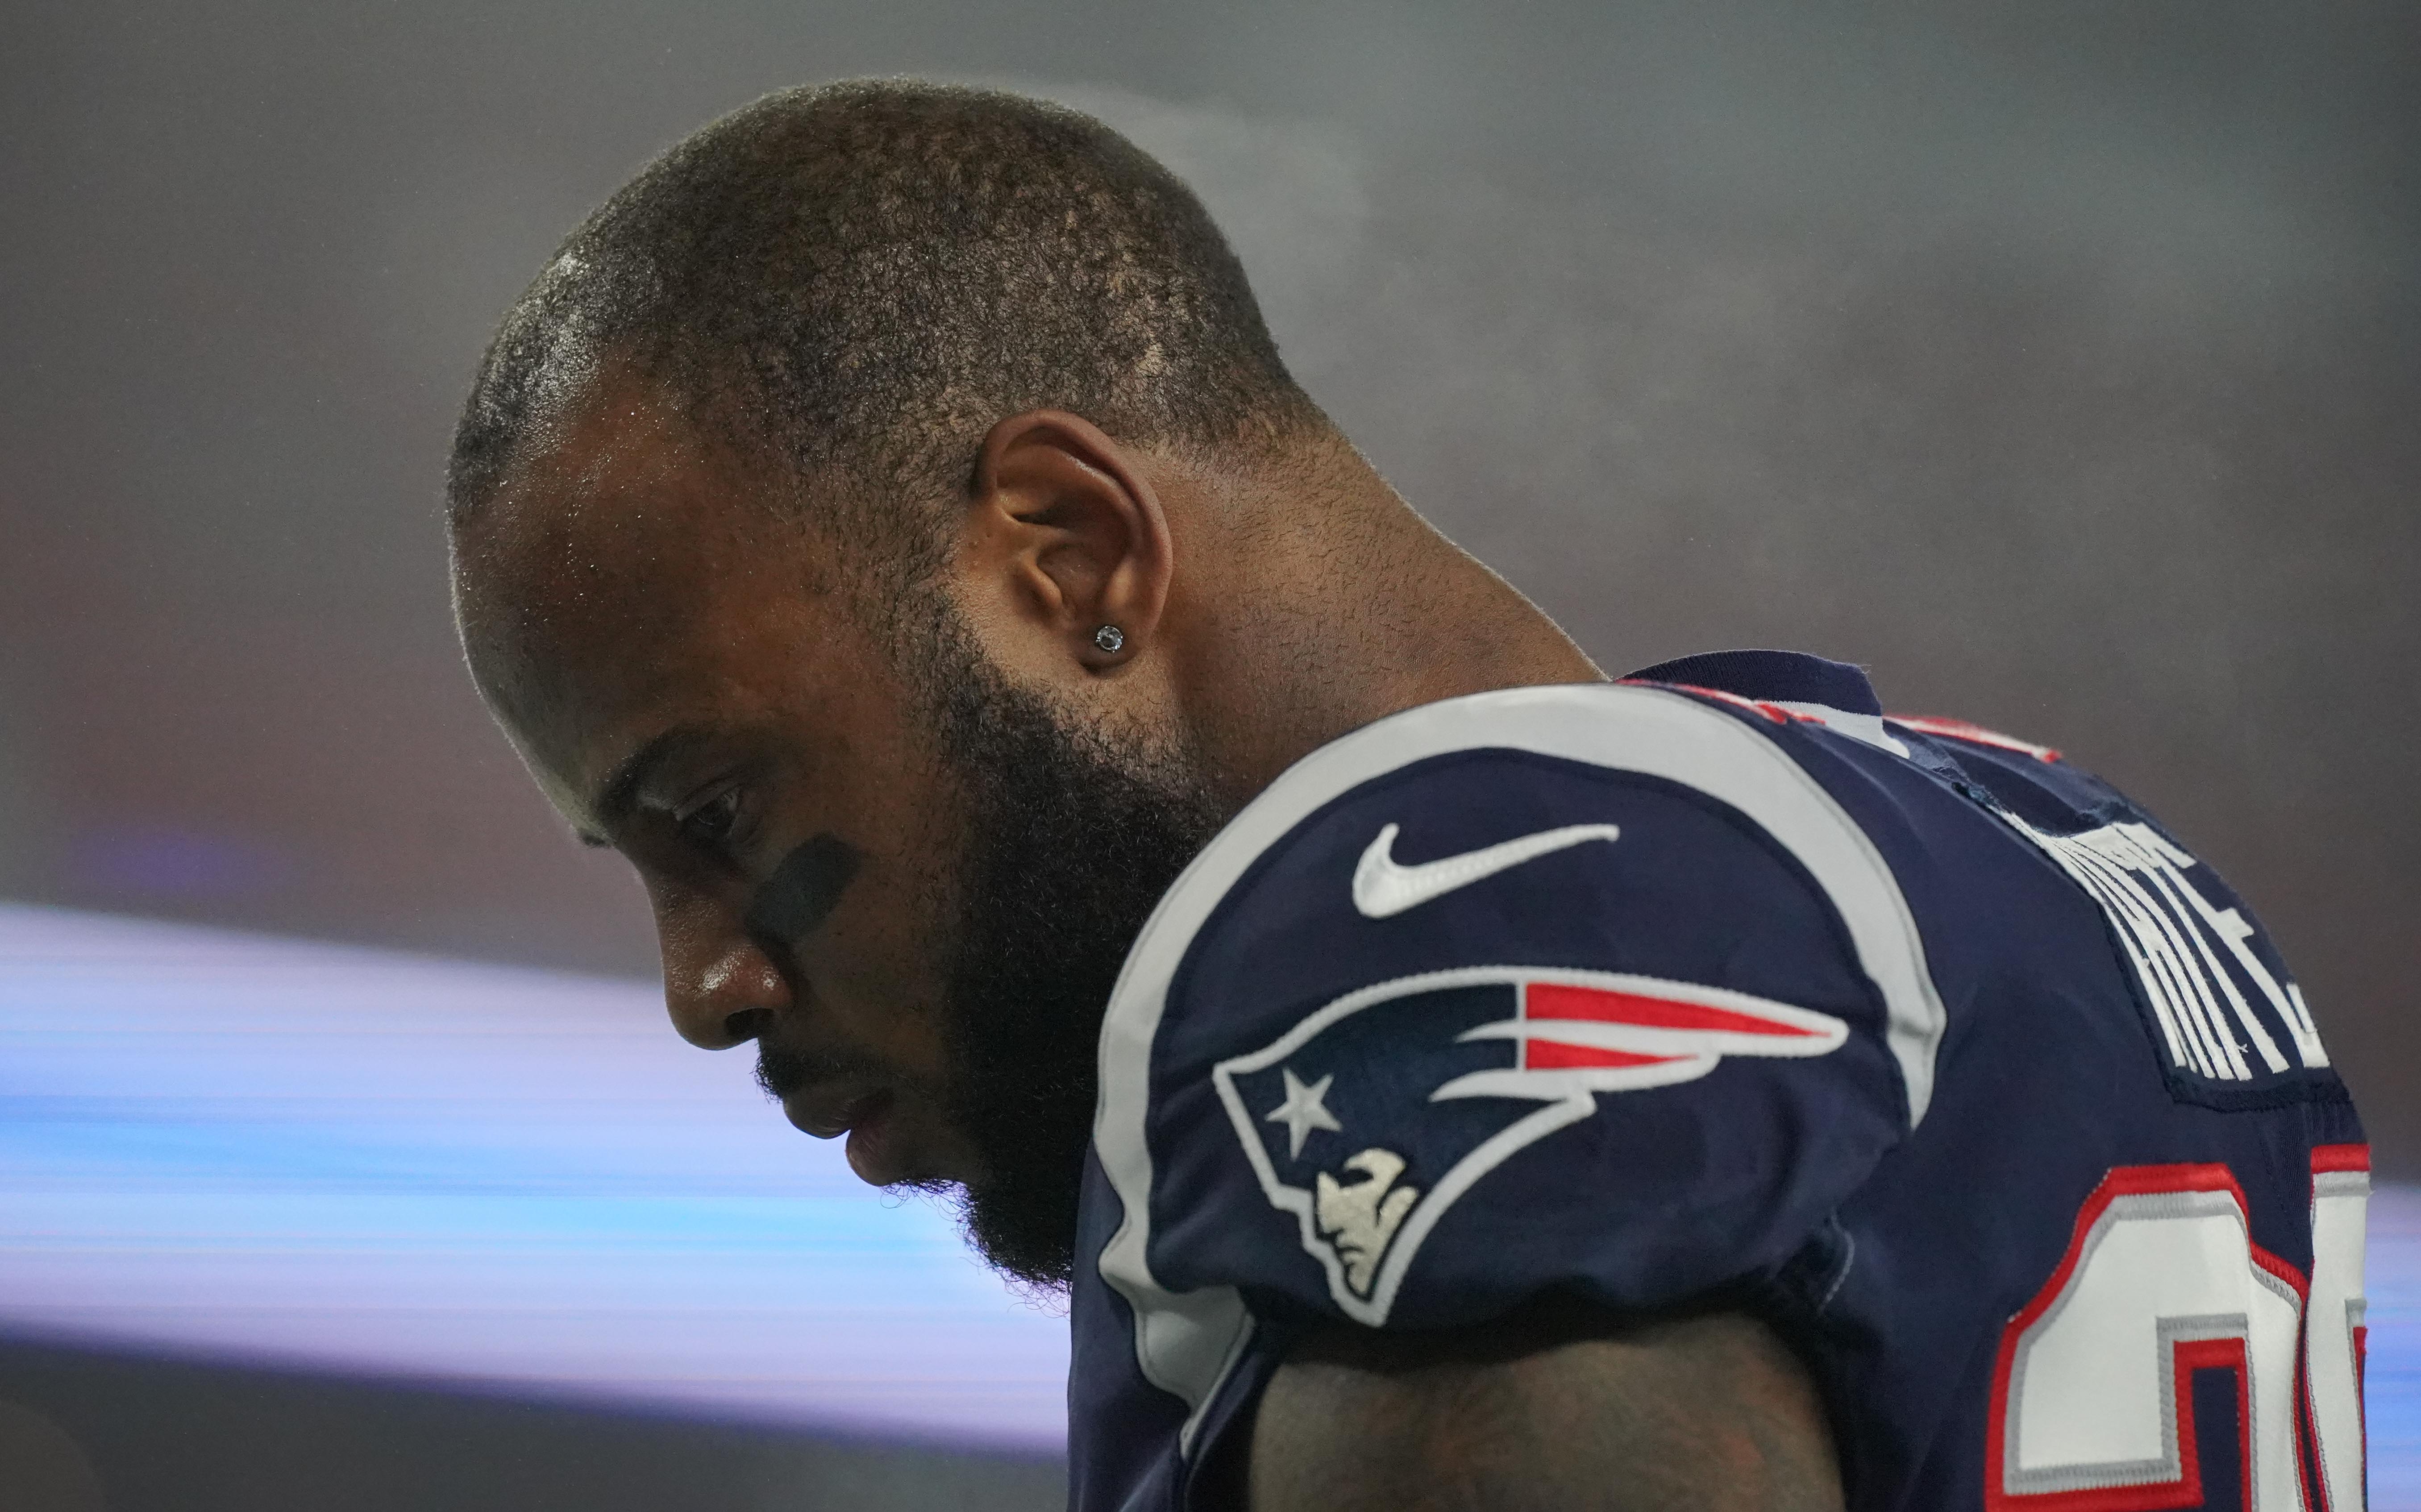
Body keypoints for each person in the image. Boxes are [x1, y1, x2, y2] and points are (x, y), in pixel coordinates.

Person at [444, 80, 2369, 1512]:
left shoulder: (1441, 911)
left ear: (1068, 557)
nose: (707, 983)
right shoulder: (2047, 845)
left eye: (715, 806)